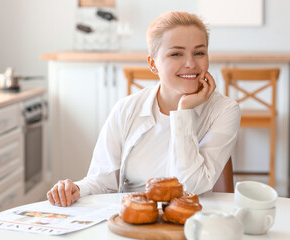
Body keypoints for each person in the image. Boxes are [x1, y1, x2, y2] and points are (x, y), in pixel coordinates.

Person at [47, 11, 241, 207]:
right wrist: (77, 189)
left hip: (191, 223)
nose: (191, 64)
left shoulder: (224, 111)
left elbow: (190, 185)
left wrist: (183, 113)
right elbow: (102, 181)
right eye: (176, 54)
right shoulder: (126, 109)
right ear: (153, 64)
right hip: (132, 221)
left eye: (199, 53)